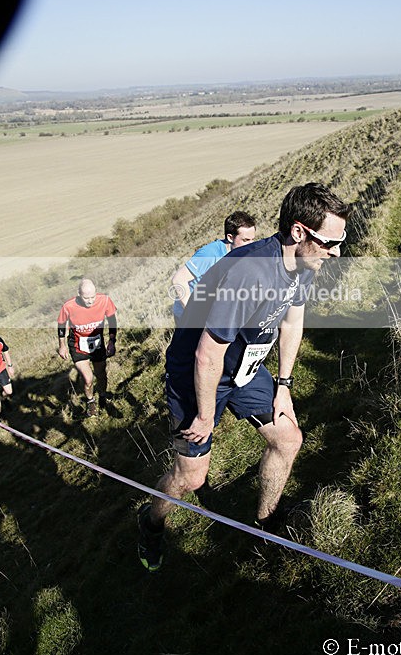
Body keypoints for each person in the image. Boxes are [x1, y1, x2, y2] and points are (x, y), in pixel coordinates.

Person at [138, 182, 351, 571]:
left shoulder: (304, 262)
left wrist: (283, 386)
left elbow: (293, 320)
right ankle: (151, 523)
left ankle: (266, 524)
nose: (336, 253)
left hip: (243, 367)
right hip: (197, 376)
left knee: (288, 438)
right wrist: (204, 417)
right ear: (299, 231)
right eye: (329, 243)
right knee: (190, 478)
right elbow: (206, 355)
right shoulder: (249, 273)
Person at [170, 210, 256, 323]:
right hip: (189, 315)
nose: (251, 245)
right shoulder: (209, 254)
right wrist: (192, 316)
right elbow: (178, 280)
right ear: (230, 237)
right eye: (245, 240)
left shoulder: (242, 254)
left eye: (253, 239)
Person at [57, 278, 117, 417]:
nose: (90, 301)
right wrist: (62, 346)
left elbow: (112, 321)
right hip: (78, 345)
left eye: (92, 297)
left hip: (97, 343)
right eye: (86, 298)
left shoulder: (105, 301)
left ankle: (102, 395)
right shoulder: (69, 306)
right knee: (88, 378)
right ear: (79, 294)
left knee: (101, 374)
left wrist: (112, 341)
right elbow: (61, 324)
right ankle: (91, 402)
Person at [0, 335, 15, 416]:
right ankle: (1, 415)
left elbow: (6, 351)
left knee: (9, 391)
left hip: (1, 369)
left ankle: (3, 397)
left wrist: (10, 366)